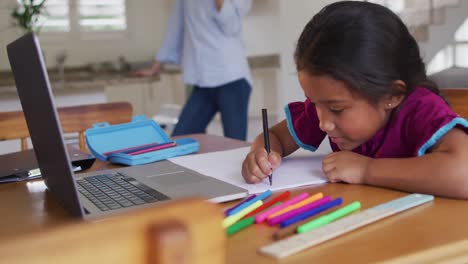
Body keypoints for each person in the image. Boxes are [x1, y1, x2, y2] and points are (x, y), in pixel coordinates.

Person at [241, 1, 468, 199]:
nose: (323, 123)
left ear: (391, 95)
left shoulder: (420, 108)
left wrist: (367, 170)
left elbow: (463, 172)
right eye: (313, 101)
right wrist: (261, 155)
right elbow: (276, 137)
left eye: (337, 109)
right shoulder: (325, 106)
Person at [133, 0, 252, 140]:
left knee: (235, 147)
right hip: (202, 82)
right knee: (179, 140)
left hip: (232, 78)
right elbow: (176, 26)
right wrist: (157, 65)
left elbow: (232, 27)